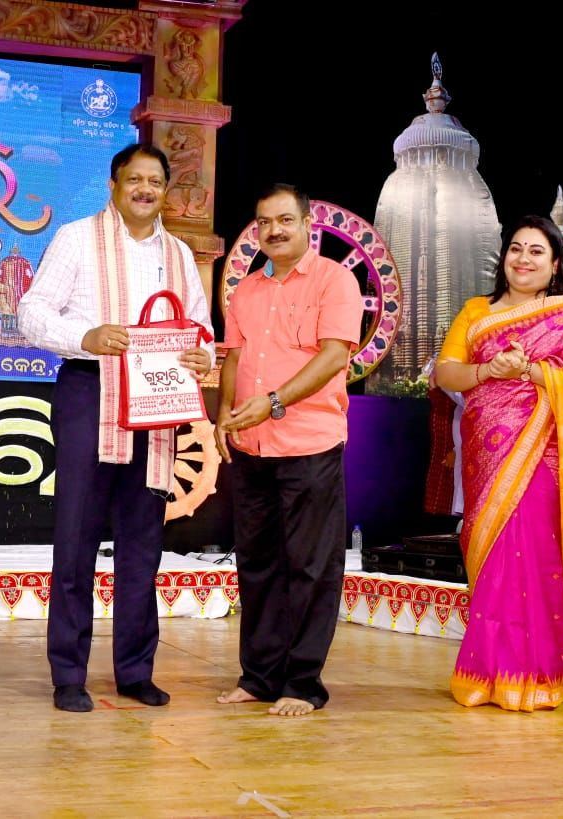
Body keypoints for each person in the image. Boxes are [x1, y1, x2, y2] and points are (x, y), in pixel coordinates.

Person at [18, 143, 214, 713]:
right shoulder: (77, 238)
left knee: (142, 542)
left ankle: (135, 671)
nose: (145, 190)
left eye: (155, 181)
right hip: (90, 391)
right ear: (114, 185)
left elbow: (200, 327)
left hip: (156, 401)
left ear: (166, 191)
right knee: (76, 539)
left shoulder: (179, 253)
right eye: (135, 180)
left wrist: (201, 355)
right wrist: (86, 337)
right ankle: (68, 674)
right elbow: (32, 312)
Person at [435, 214, 563, 712]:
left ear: (556, 263)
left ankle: (537, 677)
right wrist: (488, 369)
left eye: (536, 251)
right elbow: (446, 373)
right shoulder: (477, 311)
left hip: (544, 454)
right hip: (487, 456)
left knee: (536, 559)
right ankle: (483, 674)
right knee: (494, 559)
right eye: (516, 248)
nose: (523, 259)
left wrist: (534, 371)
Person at [214, 183, 364, 717]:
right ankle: (258, 678)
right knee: (257, 564)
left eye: (284, 220)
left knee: (310, 567)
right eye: (264, 222)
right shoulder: (246, 290)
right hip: (251, 444)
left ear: (306, 225)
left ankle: (302, 685)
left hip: (309, 444)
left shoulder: (334, 280)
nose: (273, 231)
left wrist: (273, 402)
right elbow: (233, 357)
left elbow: (334, 356)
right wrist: (224, 413)